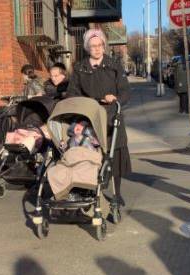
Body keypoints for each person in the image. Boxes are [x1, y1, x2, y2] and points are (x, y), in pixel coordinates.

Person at [67, 28, 131, 206]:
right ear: (88, 47)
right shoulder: (80, 68)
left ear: (104, 46)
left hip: (111, 117)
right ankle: (91, 191)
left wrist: (116, 98)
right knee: (90, 155)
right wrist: (80, 103)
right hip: (89, 116)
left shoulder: (114, 65)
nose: (97, 49)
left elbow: (125, 91)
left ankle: (117, 194)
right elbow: (72, 92)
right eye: (93, 46)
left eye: (99, 45)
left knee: (114, 156)